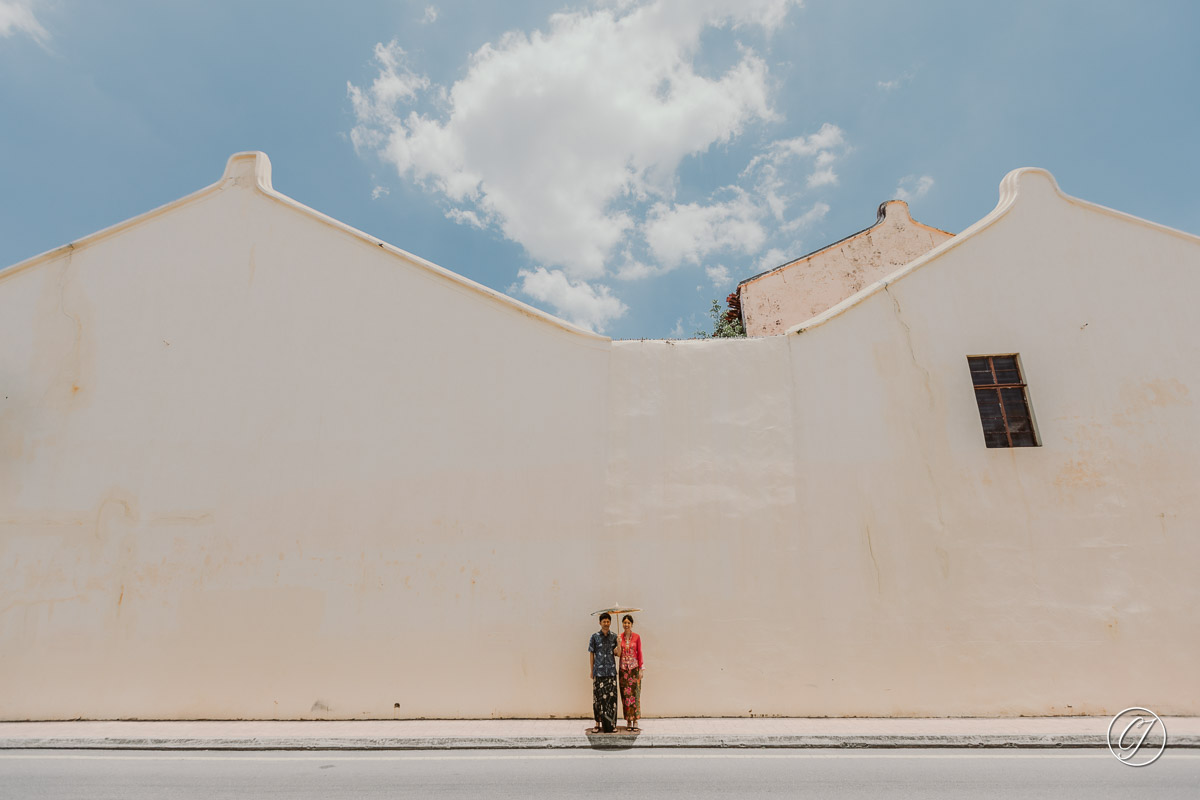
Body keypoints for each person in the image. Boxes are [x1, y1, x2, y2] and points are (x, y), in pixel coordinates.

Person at [588, 613, 620, 733]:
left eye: (608, 621)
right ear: (600, 623)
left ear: (610, 622)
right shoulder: (594, 637)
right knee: (598, 699)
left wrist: (619, 643)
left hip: (611, 672)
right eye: (604, 621)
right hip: (599, 672)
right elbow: (591, 654)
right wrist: (592, 670)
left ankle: (612, 724)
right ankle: (597, 723)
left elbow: (619, 654)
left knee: (612, 700)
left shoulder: (614, 637)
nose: (606, 623)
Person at [618, 614, 644, 732]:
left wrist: (641, 669)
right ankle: (628, 720)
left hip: (634, 669)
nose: (626, 624)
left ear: (631, 624)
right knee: (625, 696)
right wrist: (618, 643)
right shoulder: (619, 637)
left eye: (628, 623)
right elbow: (617, 653)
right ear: (622, 624)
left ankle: (635, 720)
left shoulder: (637, 637)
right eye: (624, 622)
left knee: (635, 695)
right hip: (623, 670)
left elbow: (640, 653)